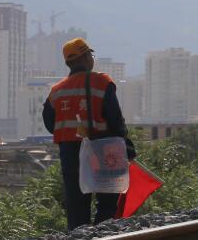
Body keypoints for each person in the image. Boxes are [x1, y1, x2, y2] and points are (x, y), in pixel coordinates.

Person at [43, 38, 133, 229]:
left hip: (70, 151)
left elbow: (50, 122)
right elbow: (115, 119)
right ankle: (103, 237)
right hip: (104, 146)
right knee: (108, 199)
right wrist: (126, 146)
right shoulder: (102, 82)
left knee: (76, 202)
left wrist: (70, 133)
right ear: (85, 58)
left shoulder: (56, 91)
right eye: (90, 55)